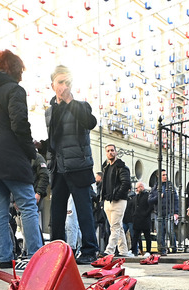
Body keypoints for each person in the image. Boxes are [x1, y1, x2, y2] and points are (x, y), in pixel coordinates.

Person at [0, 50, 42, 269]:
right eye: (21, 70)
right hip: (11, 156)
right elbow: (19, 124)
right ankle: (35, 257)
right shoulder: (15, 90)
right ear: (15, 69)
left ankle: (5, 259)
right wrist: (30, 152)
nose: (22, 75)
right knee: (28, 205)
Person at [45, 65, 99, 265]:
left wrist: (69, 100)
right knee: (57, 213)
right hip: (58, 168)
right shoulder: (49, 112)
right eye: (60, 82)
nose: (64, 86)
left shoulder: (80, 106)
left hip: (78, 166)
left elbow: (90, 122)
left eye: (68, 82)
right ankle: (57, 252)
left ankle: (89, 251)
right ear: (52, 85)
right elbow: (54, 140)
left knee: (84, 211)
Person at [99, 143, 132, 257]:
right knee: (119, 227)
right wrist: (103, 199)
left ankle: (109, 251)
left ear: (116, 152)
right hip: (108, 201)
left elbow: (126, 183)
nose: (110, 152)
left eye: (112, 150)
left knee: (115, 227)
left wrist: (117, 196)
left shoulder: (121, 167)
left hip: (119, 201)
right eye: (108, 151)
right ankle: (123, 251)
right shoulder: (106, 168)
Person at [149, 169, 179, 255]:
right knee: (159, 232)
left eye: (166, 175)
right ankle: (161, 249)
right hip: (157, 213)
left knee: (170, 230)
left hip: (169, 212)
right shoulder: (154, 188)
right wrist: (158, 197)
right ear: (158, 176)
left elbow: (176, 200)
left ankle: (173, 248)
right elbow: (150, 200)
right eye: (163, 175)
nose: (165, 176)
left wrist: (176, 212)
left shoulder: (170, 186)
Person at [132, 181, 153, 255]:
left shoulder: (148, 196)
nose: (136, 189)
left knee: (147, 236)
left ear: (141, 187)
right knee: (135, 236)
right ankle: (133, 251)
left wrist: (145, 214)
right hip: (137, 219)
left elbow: (151, 207)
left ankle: (148, 251)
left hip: (145, 220)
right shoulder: (135, 197)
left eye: (137, 188)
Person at [92, 171, 109, 253]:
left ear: (100, 177)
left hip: (100, 211)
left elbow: (98, 197)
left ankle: (102, 249)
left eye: (97, 177)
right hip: (99, 211)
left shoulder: (101, 186)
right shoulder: (99, 186)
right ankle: (102, 249)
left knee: (103, 231)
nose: (95, 178)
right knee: (102, 231)